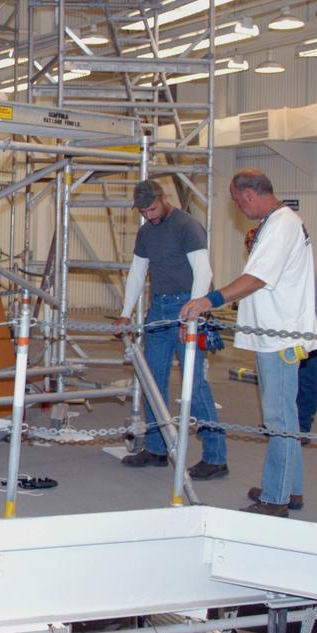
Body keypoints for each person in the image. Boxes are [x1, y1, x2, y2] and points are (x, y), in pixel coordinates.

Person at [181, 168, 317, 517]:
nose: (238, 208)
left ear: (249, 194)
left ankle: (276, 498)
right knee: (282, 416)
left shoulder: (282, 224)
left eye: (237, 201)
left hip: (281, 337)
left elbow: (257, 277)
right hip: (273, 334)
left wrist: (209, 300)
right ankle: (292, 488)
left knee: (278, 419)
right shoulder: (278, 222)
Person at [113, 180, 228, 478]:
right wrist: (126, 313)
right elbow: (137, 273)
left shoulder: (186, 226)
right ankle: (157, 448)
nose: (149, 215)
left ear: (164, 199)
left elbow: (204, 271)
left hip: (187, 305)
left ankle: (216, 458)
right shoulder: (145, 232)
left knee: (194, 384)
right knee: (153, 380)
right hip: (159, 308)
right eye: (143, 211)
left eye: (152, 208)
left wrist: (192, 313)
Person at [245, 227, 317, 450]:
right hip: (294, 330)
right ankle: (282, 424)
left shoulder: (288, 265)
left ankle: (301, 428)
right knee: (285, 380)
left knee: (307, 379)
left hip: (314, 328)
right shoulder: (273, 265)